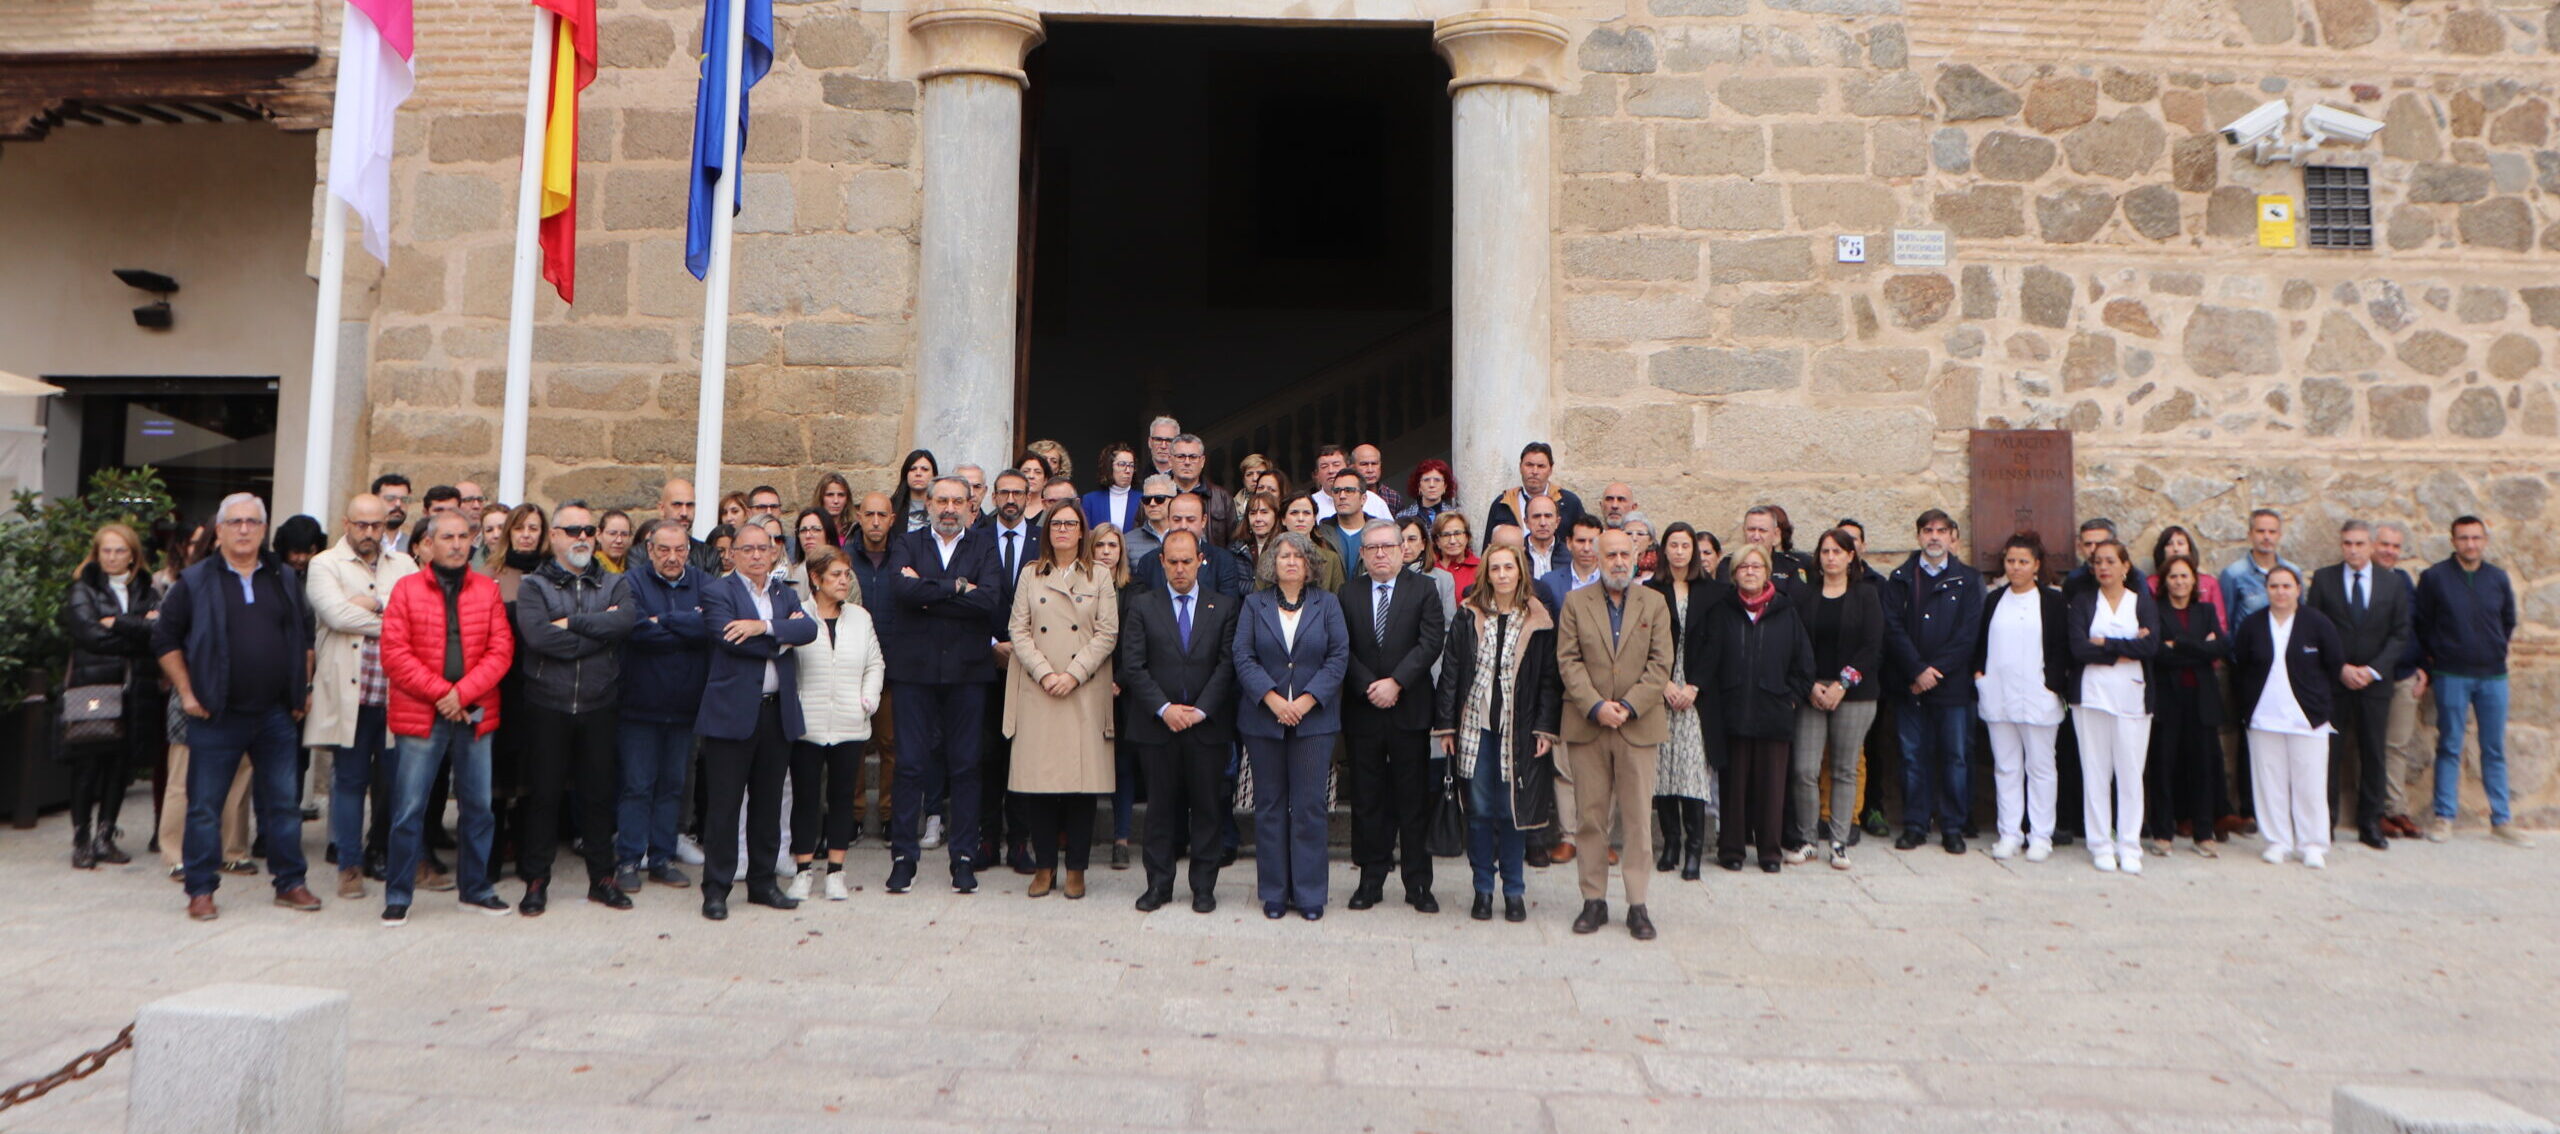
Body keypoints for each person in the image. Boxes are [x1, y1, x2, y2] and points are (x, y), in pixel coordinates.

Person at [153, 492, 320, 921]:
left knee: (283, 803)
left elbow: (304, 636)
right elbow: (165, 641)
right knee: (205, 806)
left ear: (264, 529)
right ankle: (201, 889)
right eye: (235, 522)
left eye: (252, 522)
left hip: (276, 714)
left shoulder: (282, 577)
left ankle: (291, 882)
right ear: (220, 530)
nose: (244, 529)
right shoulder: (195, 581)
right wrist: (188, 694)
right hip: (216, 715)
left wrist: (302, 689)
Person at [376, 512, 517, 925]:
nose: (457, 544)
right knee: (408, 810)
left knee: (478, 806)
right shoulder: (405, 590)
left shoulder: (487, 591)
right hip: (423, 710)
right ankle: (399, 894)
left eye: (463, 537)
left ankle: (475, 889)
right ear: (427, 545)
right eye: (448, 537)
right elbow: (395, 655)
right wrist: (444, 694)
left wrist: (463, 694)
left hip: (474, 709)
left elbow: (500, 650)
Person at [512, 502, 637, 913]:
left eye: (588, 530)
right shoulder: (534, 585)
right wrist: (598, 631)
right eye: (572, 530)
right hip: (548, 703)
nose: (582, 537)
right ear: (555, 537)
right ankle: (536, 881)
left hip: (599, 704)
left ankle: (602, 879)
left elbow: (624, 624)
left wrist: (572, 624)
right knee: (543, 796)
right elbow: (540, 639)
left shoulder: (615, 583)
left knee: (599, 796)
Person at [883, 476, 1005, 894]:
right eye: (942, 500)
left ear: (971, 505)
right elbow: (901, 590)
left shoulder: (983, 546)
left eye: (958, 500)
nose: (950, 508)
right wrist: (955, 588)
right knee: (911, 765)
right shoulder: (908, 543)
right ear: (929, 504)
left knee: (967, 766)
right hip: (914, 672)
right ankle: (903, 857)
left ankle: (964, 858)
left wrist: (928, 594)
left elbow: (989, 599)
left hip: (968, 672)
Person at [694, 522, 818, 918]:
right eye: (747, 549)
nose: (756, 555)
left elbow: (808, 629)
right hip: (732, 714)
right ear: (732, 554)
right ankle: (716, 888)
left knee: (767, 804)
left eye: (763, 548)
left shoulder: (785, 593)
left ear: (773, 553)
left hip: (775, 713)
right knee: (725, 807)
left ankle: (763, 883)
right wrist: (778, 639)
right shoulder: (717, 591)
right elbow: (728, 638)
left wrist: (762, 627)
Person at [1432, 542, 1560, 923]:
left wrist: (1544, 728)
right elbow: (1451, 671)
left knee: (1512, 812)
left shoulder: (1538, 620)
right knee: (1480, 812)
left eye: (1509, 567)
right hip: (1477, 728)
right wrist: (1447, 725)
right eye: (1496, 568)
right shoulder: (1468, 615)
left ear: (1520, 572)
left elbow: (1549, 680)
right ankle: (1483, 889)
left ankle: (1514, 890)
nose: (1502, 574)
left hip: (1518, 731)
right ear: (1485, 573)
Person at [1556, 529, 1675, 938]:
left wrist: (1627, 706)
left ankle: (1638, 905)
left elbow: (1661, 665)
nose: (1619, 561)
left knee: (1639, 820)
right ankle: (1593, 900)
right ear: (1597, 557)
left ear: (1637, 555)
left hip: (1637, 726)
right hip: (1588, 724)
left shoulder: (1655, 603)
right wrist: (1596, 706)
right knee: (1590, 818)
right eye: (1611, 555)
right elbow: (1568, 660)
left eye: (1626, 554)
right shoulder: (1575, 603)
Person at [304, 494, 420, 899]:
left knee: (397, 783)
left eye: (378, 525)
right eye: (362, 525)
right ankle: (349, 865)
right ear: (346, 522)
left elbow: (418, 617)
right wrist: (392, 618)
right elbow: (336, 615)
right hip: (349, 696)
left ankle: (394, 857)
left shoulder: (405, 565)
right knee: (349, 781)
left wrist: (375, 604)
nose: (371, 533)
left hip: (396, 694)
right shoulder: (324, 565)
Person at [1001, 504, 1120, 899]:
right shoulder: (1031, 575)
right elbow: (1018, 629)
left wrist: (1073, 674)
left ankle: (1077, 869)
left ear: (1082, 531)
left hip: (1082, 690)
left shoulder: (1100, 575)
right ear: (1047, 530)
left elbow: (1107, 633)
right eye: (1057, 524)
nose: (1064, 530)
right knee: (1040, 786)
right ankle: (1044, 866)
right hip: (1039, 690)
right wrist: (1045, 672)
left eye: (1071, 523)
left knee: (1080, 788)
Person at [1232, 531, 1350, 920]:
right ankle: (1275, 893)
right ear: (1271, 563)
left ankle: (1311, 893)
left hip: (1314, 721)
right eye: (1283, 555)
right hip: (1264, 721)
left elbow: (1338, 657)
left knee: (1309, 808)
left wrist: (1304, 701)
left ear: (1310, 563)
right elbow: (1243, 656)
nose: (1291, 562)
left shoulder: (1328, 603)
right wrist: (1273, 700)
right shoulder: (1254, 604)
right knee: (1268, 808)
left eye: (1298, 556)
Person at [1120, 529, 1239, 913]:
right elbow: (1133, 665)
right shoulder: (1143, 605)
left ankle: (1203, 887)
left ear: (1201, 560)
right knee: (1159, 810)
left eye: (1187, 561)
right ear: (1161, 562)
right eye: (1172, 561)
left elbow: (1227, 665)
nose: (1180, 568)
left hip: (1206, 727)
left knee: (1207, 808)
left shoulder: (1222, 606)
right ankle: (1159, 885)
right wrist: (1165, 709)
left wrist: (1200, 710)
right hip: (1157, 726)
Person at [1337, 520, 1449, 914]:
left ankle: (1418, 883)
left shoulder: (1424, 589)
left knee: (1412, 800)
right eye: (1372, 548)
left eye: (1388, 546)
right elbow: (1341, 647)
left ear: (1405, 550)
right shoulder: (1348, 593)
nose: (1380, 554)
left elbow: (1431, 641)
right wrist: (1372, 685)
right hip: (1364, 710)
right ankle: (1370, 879)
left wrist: (1397, 682)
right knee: (1367, 800)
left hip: (1409, 709)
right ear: (1363, 555)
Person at [1695, 543, 1813, 876]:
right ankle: (1731, 849)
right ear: (1733, 575)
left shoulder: (1785, 611)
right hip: (1732, 712)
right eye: (1743, 567)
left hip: (1773, 711)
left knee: (1772, 788)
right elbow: (1710, 659)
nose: (1750, 571)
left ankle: (1769, 852)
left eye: (1756, 567)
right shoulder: (1722, 610)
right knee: (1732, 786)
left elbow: (1803, 663)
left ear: (1766, 572)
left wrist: (1790, 698)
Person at [2416, 516, 2529, 847]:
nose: (2470, 544)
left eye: (2476, 538)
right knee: (2450, 744)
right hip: (2452, 674)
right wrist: (2439, 655)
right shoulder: (2435, 578)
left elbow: (2507, 620)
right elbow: (2423, 624)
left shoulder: (2497, 578)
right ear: (2453, 541)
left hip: (2493, 675)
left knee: (2493, 749)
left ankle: (2502, 820)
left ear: (2485, 541)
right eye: (2463, 538)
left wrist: (2493, 648)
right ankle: (2444, 818)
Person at [2305, 520, 2412, 852]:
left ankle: (2370, 824)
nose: (2353, 549)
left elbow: (2400, 634)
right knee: (2330, 755)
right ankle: (2325, 824)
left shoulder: (2392, 584)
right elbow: (2314, 629)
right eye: (2347, 543)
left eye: (2360, 543)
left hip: (2375, 684)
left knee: (2373, 754)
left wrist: (2373, 670)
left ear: (2371, 546)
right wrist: (2339, 668)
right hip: (2335, 684)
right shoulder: (2324, 579)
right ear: (2341, 545)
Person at [783, 547, 884, 902]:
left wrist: (866, 701)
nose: (844, 581)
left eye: (847, 575)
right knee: (806, 799)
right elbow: (786, 665)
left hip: (849, 722)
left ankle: (837, 872)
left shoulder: (860, 617)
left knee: (842, 797)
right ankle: (803, 870)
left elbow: (875, 663)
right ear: (815, 579)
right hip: (807, 724)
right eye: (836, 575)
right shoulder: (797, 616)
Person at [59, 522, 162, 870]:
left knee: (121, 764)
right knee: (88, 762)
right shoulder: (82, 590)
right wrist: (137, 627)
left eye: (120, 551)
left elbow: (160, 632)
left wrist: (116, 622)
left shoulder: (147, 589)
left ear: (133, 556)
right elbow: (90, 636)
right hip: (94, 686)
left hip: (135, 690)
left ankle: (105, 836)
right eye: (107, 550)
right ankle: (81, 839)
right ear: (96, 552)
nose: (113, 557)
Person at [1884, 509, 1983, 855]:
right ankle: (1915, 824)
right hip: (1911, 686)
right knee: (1913, 756)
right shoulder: (1900, 578)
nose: (1934, 536)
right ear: (1918, 536)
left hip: (1952, 688)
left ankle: (1953, 826)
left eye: (1942, 530)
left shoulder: (1969, 580)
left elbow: (1968, 634)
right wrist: (1916, 671)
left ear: (1953, 536)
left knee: (1954, 757)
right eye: (1928, 530)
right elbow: (1892, 628)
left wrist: (1934, 672)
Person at [617, 519, 707, 893]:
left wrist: (664, 621)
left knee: (672, 786)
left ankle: (661, 859)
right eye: (664, 550)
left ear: (689, 550)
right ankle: (627, 860)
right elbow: (634, 630)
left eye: (680, 549)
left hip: (686, 707)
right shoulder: (631, 583)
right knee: (637, 786)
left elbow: (712, 627)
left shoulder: (703, 583)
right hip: (639, 706)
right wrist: (687, 627)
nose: (673, 557)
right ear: (650, 550)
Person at [2235, 566, 2347, 868]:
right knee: (2270, 783)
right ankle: (2276, 841)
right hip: (2264, 717)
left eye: (2287, 586)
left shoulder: (2318, 624)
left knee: (2310, 784)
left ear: (2299, 589)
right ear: (2266, 589)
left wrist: (2321, 705)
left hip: (2308, 719)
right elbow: (2241, 666)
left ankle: (2312, 844)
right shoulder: (2253, 625)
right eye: (2274, 586)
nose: (2280, 592)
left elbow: (2334, 664)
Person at [1975, 533, 2070, 863]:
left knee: (2041, 766)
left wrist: (2051, 685)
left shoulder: (2053, 601)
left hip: (2038, 694)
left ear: (2037, 566)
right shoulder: (1994, 599)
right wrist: (1980, 676)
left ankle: (2041, 834)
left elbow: (2061, 646)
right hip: (1999, 693)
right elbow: (1981, 642)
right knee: (2006, 766)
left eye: (2023, 562)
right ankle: (2009, 833)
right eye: (2011, 561)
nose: (2016, 568)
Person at [2067, 539, 2160, 874]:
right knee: (2095, 772)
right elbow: (2078, 648)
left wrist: (2105, 643)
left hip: (2132, 697)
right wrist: (2125, 648)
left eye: (2110, 561)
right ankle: (2100, 843)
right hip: (2091, 697)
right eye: (2097, 562)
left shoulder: (2141, 602)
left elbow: (2150, 646)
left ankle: (2129, 844)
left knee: (2130, 773)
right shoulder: (2083, 602)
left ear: (2125, 566)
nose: (2103, 567)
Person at [1793, 528, 1882, 870]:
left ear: (1851, 557)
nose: (1830, 557)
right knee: (1804, 769)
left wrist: (1842, 685)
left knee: (1845, 769)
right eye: (1825, 551)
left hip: (1855, 694)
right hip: (1812, 691)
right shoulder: (1806, 596)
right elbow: (1797, 643)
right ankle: (1806, 838)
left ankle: (1839, 841)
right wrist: (1812, 684)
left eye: (1837, 551)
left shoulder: (1866, 595)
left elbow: (1872, 645)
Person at [1643, 523, 1722, 879]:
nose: (1679, 551)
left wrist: (1695, 686)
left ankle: (1693, 848)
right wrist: (1661, 684)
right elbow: (1639, 645)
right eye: (1672, 545)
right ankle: (1670, 844)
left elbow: (1717, 646)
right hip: (1659, 690)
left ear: (1694, 550)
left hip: (1694, 695)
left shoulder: (1712, 592)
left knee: (1690, 773)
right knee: (1662, 773)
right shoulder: (1649, 590)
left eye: (1685, 545)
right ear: (1664, 550)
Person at [2144, 554, 2228, 858]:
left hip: (2201, 700)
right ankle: (2163, 832)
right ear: (2164, 582)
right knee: (2163, 766)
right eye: (2173, 577)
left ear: (2194, 581)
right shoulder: (2155, 611)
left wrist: (2178, 644)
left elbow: (2219, 647)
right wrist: (2198, 646)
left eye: (2184, 576)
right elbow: (2156, 653)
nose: (2179, 582)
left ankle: (2204, 833)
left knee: (2203, 768)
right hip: (2168, 700)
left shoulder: (2206, 612)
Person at [846, 492, 903, 844]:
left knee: (891, 745)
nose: (876, 521)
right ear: (859, 515)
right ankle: (851, 815)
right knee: (853, 746)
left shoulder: (905, 555)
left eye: (883, 514)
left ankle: (889, 814)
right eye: (870, 514)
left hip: (894, 666)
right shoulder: (846, 557)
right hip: (853, 666)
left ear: (893, 518)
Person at [2370, 522, 2426, 839]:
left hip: (2404, 675)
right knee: (2370, 746)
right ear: (2372, 545)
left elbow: (2415, 625)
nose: (2390, 551)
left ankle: (2396, 809)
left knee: (2397, 747)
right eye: (2385, 544)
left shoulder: (2403, 580)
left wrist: (2422, 667)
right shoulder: (2362, 582)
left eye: (2395, 546)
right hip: (2372, 677)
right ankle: (2375, 810)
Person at [1131, 492, 1249, 597]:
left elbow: (1228, 611)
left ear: (1203, 521)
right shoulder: (1148, 562)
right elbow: (1141, 610)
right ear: (1168, 520)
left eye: (1191, 520)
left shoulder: (1223, 561)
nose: (1183, 526)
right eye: (1177, 520)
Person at [1484, 442, 1585, 538]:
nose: (1534, 471)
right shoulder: (1502, 503)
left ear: (1550, 470)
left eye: (1541, 466)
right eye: (1529, 465)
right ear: (1520, 467)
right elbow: (1488, 550)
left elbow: (1583, 540)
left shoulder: (1569, 503)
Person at [2220, 509, 2299, 626]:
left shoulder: (2293, 572)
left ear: (2279, 535)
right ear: (2250, 534)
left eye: (2272, 532)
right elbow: (2227, 622)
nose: (2266, 537)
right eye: (2260, 531)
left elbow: (2299, 612)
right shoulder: (2233, 574)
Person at [2147, 525, 2228, 632]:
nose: (2175, 549)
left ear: (2189, 549)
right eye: (2169, 544)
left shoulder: (2209, 583)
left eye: (2180, 543)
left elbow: (2220, 625)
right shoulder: (2151, 584)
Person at [1274, 494, 1347, 592]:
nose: (1300, 518)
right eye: (1294, 513)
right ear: (1283, 519)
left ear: (1314, 519)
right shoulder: (1269, 556)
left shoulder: (1331, 559)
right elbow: (1260, 601)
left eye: (1306, 513)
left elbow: (1338, 600)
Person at [1536, 514, 1605, 616]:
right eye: (1581, 541)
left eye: (1592, 542)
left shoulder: (1611, 581)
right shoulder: (1550, 582)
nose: (1586, 548)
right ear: (1569, 543)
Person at [1303, 445, 1392, 523]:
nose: (1331, 471)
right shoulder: (1309, 504)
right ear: (1316, 474)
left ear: (1349, 468)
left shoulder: (1374, 501)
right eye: (1324, 467)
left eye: (1336, 464)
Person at [1169, 434, 1234, 537]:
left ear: (1202, 461)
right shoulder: (1155, 498)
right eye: (1181, 456)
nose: (1187, 462)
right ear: (1170, 460)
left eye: (1193, 457)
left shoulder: (1222, 498)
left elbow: (1234, 541)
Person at [1084, 441, 1143, 534]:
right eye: (1122, 464)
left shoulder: (1143, 499)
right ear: (1109, 467)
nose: (1128, 470)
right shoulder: (1091, 500)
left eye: (1131, 466)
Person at [1317, 469, 1371, 566]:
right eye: (1336, 491)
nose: (1341, 496)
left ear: (1363, 499)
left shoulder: (1380, 531)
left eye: (1349, 490)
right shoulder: (1320, 534)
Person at [1124, 474, 1176, 565]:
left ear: (1173, 501)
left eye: (1159, 499)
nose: (1152, 504)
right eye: (1147, 500)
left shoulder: (1189, 536)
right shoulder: (1128, 540)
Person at [784, 509, 834, 599]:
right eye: (803, 530)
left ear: (828, 533)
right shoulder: (790, 574)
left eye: (816, 529)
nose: (808, 535)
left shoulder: (844, 572)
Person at [1229, 491, 1280, 579]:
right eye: (1253, 513)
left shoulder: (1285, 547)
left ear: (1276, 516)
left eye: (1264, 512)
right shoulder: (1236, 549)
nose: (1258, 519)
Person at [1397, 459, 1459, 530]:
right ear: (1419, 486)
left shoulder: (1455, 515)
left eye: (1437, 480)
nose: (1431, 485)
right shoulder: (1403, 517)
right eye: (1426, 480)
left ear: (1445, 486)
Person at [1429, 512, 1479, 601]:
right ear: (1437, 541)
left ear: (1467, 537)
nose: (1452, 541)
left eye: (1457, 533)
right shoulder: (1428, 568)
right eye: (1446, 535)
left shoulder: (1481, 568)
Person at [890, 449, 939, 534]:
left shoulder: (942, 506)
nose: (918, 473)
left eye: (924, 469)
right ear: (906, 474)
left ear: (934, 475)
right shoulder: (891, 507)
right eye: (913, 469)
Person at [1520, 494, 1566, 579]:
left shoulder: (1569, 556)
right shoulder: (1518, 555)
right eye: (1536, 516)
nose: (1543, 523)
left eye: (1548, 516)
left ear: (1557, 522)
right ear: (1526, 522)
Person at [810, 472, 855, 548]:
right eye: (830, 495)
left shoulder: (853, 532)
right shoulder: (810, 530)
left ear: (847, 499)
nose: (836, 501)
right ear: (821, 498)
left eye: (841, 495)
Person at [372, 474, 413, 556]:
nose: (398, 504)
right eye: (390, 498)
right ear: (374, 500)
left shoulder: (413, 547)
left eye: (404, 499)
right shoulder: (362, 543)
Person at [1145, 415, 1183, 481]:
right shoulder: (1135, 479)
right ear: (1150, 442)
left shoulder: (1190, 480)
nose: (1163, 446)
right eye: (1158, 439)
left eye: (1169, 441)